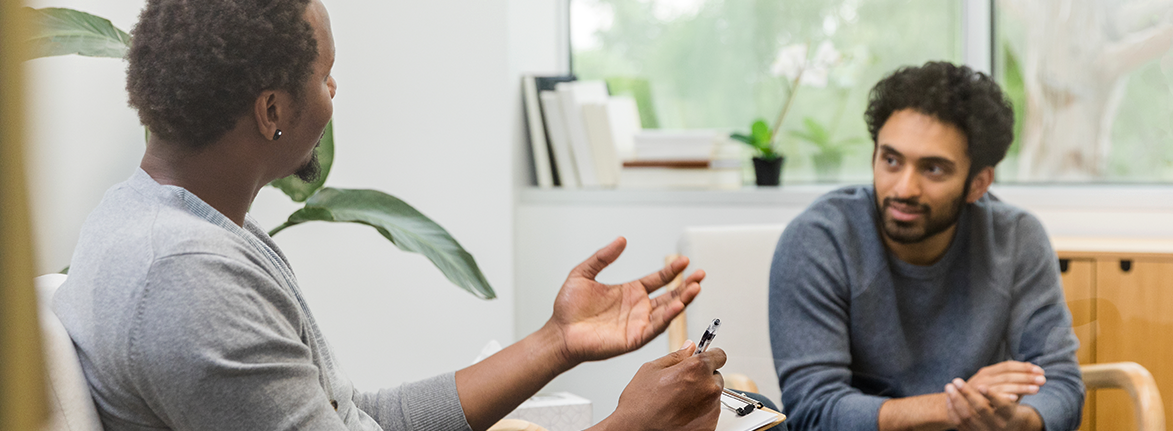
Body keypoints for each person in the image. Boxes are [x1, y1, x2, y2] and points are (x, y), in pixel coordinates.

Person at [51, 1, 727, 430]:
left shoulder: (166, 222)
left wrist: (557, 340)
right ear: (272, 111)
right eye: (325, 75)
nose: (334, 92)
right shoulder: (185, 279)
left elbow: (360, 416)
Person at [768, 61, 1084, 431]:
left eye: (932, 169)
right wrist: (953, 407)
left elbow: (1060, 383)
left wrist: (1019, 420)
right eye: (891, 160)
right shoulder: (819, 240)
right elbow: (813, 411)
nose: (903, 188)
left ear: (978, 183)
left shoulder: (1016, 239)